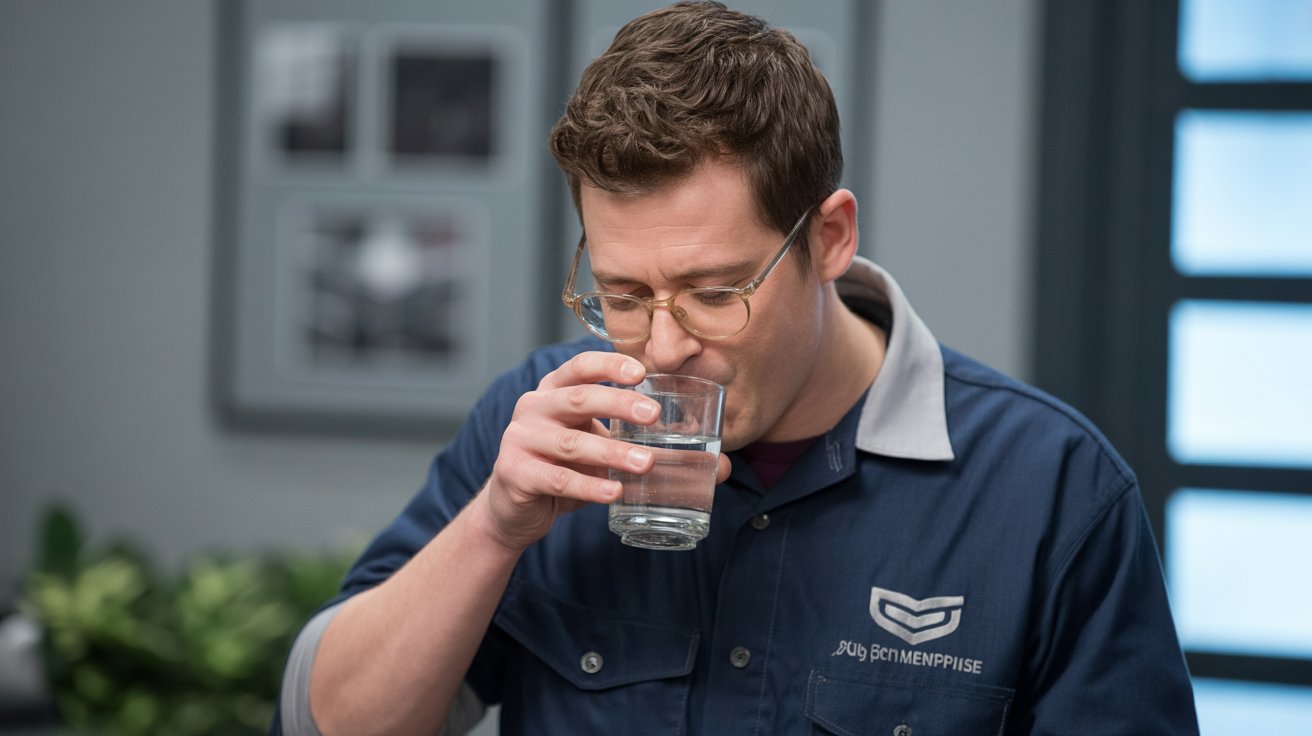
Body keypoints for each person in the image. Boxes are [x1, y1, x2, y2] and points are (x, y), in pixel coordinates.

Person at [273, 2, 1199, 733]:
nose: (664, 346)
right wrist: (493, 531)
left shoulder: (1050, 490)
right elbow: (328, 725)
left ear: (829, 238)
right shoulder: (539, 426)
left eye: (716, 291)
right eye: (624, 294)